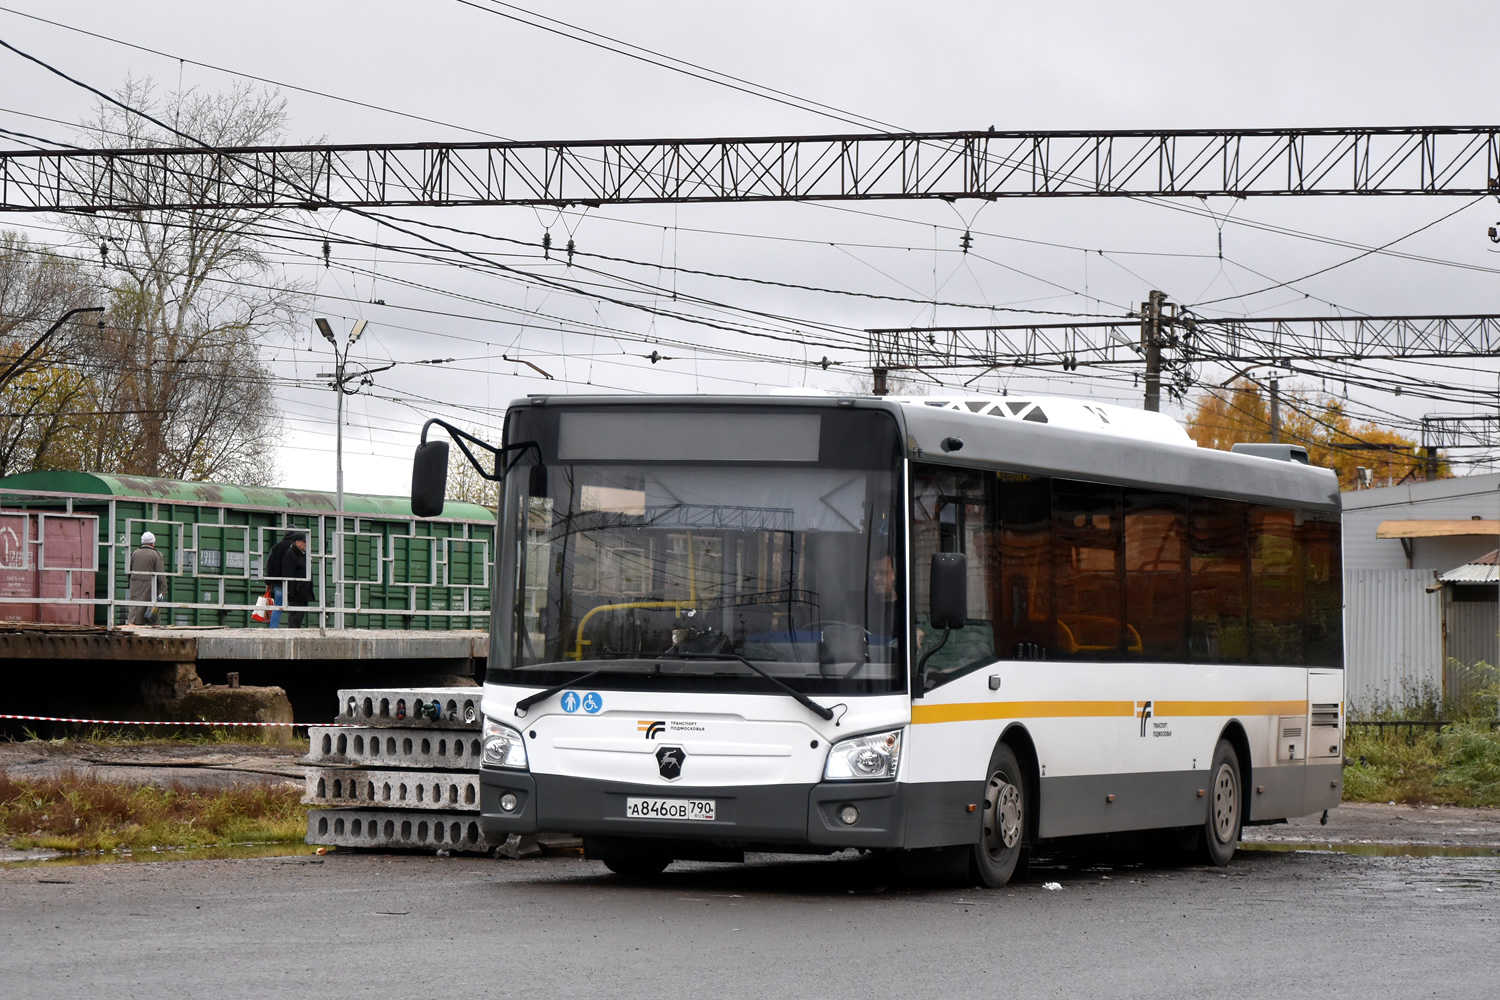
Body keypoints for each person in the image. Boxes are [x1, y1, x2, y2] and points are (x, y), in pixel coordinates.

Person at [127, 531, 165, 626]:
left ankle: (131, 629)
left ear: (142, 542)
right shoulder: (156, 555)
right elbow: (161, 574)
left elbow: (129, 571)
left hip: (135, 587)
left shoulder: (134, 553)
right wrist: (163, 590)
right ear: (152, 543)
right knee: (152, 614)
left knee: (134, 612)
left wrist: (131, 584)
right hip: (150, 589)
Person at [263, 530, 297, 628]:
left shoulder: (276, 547)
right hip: (294, 581)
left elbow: (269, 564)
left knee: (277, 605)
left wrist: (268, 581)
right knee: (296, 605)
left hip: (278, 581)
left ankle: (273, 627)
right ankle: (294, 627)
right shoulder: (296, 548)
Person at [283, 533, 312, 628]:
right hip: (297, 591)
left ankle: (296, 631)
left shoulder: (303, 555)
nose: (306, 544)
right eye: (304, 542)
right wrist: (290, 592)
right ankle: (293, 633)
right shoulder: (291, 554)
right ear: (297, 542)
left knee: (299, 616)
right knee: (295, 616)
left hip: (303, 591)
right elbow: (288, 573)